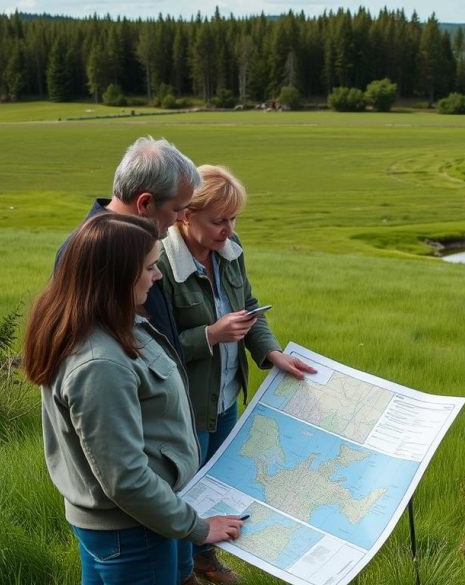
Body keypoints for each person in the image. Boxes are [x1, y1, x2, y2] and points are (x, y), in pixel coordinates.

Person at [24, 213, 244, 584]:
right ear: (115, 278)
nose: (157, 276)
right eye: (148, 267)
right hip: (133, 531)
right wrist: (198, 528)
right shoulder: (99, 365)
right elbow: (125, 478)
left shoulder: (116, 322)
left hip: (140, 521)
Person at [158, 164, 316, 584]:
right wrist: (210, 334)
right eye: (218, 221)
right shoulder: (159, 262)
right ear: (186, 215)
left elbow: (248, 303)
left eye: (233, 219)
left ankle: (206, 560)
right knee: (182, 491)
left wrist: (271, 352)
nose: (228, 229)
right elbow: (152, 344)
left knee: (218, 484)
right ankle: (181, 573)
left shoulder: (230, 249)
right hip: (187, 405)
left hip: (227, 395)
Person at [56, 135, 199, 359]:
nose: (182, 218)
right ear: (145, 203)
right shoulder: (91, 252)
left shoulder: (136, 244)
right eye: (177, 209)